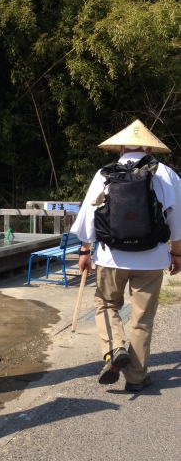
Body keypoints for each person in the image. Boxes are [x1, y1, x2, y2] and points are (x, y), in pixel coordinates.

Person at [71, 119, 181, 392]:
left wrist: (85, 251)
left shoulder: (104, 174)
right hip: (152, 258)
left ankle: (114, 349)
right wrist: (176, 255)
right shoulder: (166, 174)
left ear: (119, 147)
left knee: (107, 305)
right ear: (149, 148)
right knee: (142, 318)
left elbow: (88, 218)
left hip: (111, 257)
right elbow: (177, 220)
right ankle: (136, 376)